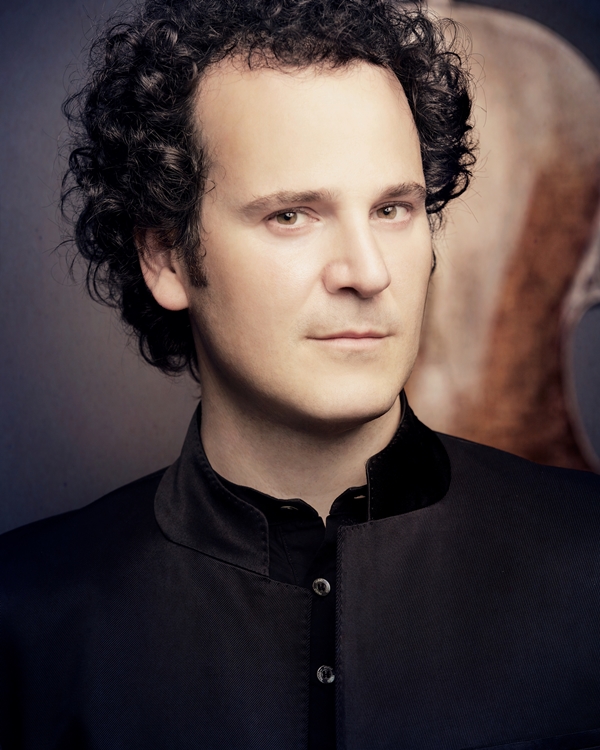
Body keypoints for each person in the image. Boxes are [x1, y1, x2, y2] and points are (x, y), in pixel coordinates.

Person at [1, 0, 600, 748]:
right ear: (166, 256)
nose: (368, 273)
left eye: (393, 208)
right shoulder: (22, 621)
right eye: (292, 215)